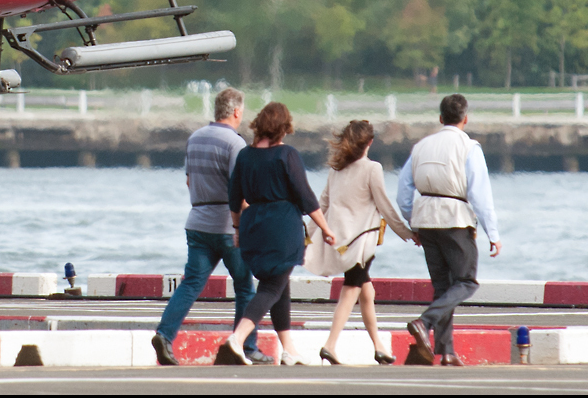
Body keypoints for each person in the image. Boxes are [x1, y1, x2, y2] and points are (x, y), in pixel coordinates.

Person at [151, 88, 275, 366]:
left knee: (191, 283)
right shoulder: (235, 143)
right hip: (227, 225)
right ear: (236, 112)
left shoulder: (195, 138)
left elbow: (188, 181)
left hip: (197, 220)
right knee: (245, 287)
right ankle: (246, 346)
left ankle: (165, 334)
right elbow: (239, 190)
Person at [214, 102, 336, 366]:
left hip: (253, 225)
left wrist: (237, 230)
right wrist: (325, 228)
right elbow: (305, 196)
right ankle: (237, 339)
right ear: (284, 128)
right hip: (282, 227)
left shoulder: (244, 156)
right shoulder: (287, 155)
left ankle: (289, 350)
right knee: (272, 286)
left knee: (281, 284)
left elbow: (234, 199)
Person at [397, 93, 500, 366]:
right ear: (465, 119)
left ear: (440, 118)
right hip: (455, 218)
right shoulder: (469, 147)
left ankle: (446, 351)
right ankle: (425, 322)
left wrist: (412, 223)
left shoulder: (421, 147)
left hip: (425, 218)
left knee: (442, 287)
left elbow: (403, 190)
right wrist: (493, 233)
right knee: (466, 281)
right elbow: (480, 194)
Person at [305, 120, 418, 365]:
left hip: (340, 242)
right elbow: (385, 206)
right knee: (351, 290)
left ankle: (379, 347)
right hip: (360, 244)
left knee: (368, 291)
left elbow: (322, 206)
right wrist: (407, 233)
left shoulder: (336, 169)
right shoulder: (372, 168)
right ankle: (330, 345)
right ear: (370, 142)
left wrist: (306, 237)